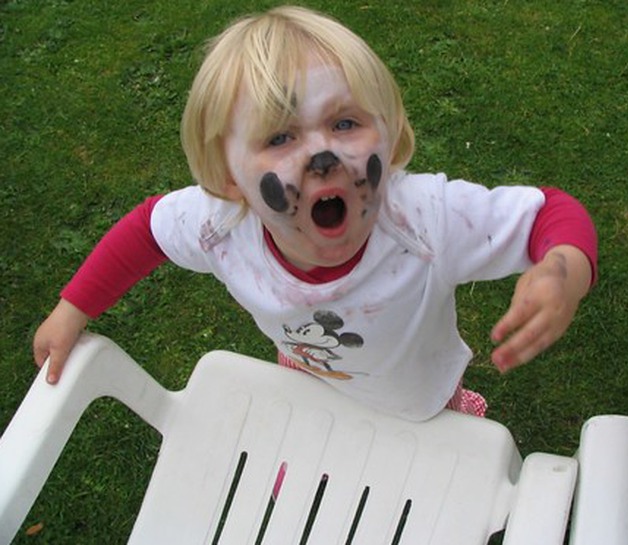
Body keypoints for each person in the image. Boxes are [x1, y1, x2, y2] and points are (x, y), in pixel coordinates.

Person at [33, 5, 597, 421]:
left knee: (432, 436)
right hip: (305, 368)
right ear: (230, 179)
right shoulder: (220, 223)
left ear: (390, 138)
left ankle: (451, 410)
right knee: (313, 424)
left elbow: (551, 212)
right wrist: (72, 309)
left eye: (345, 123)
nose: (322, 156)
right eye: (279, 137)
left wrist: (561, 271)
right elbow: (146, 233)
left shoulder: (424, 219)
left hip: (418, 392)